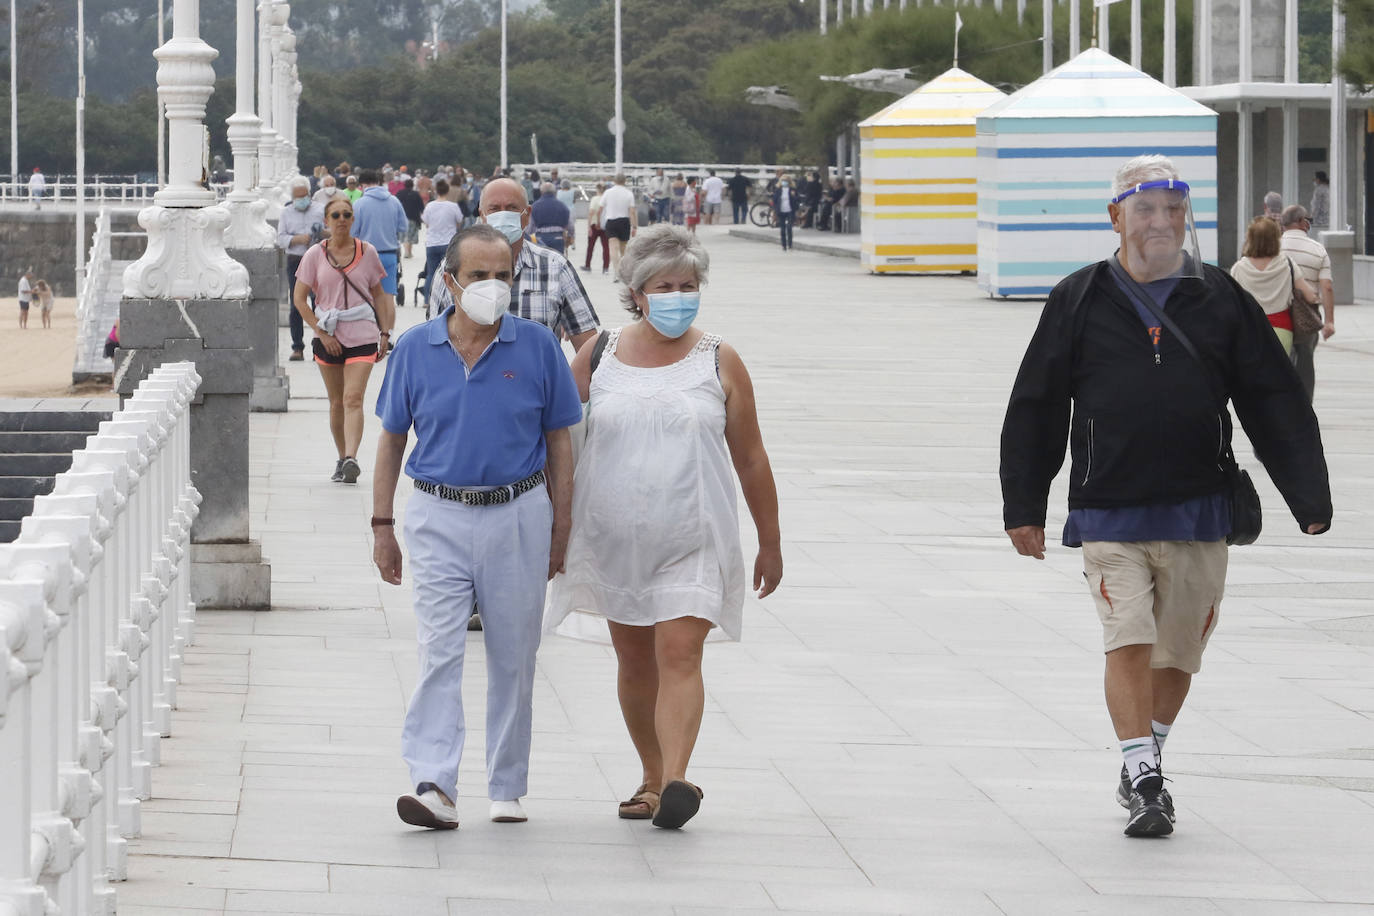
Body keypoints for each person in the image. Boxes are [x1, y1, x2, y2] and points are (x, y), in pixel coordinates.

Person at [1001, 154, 1332, 839]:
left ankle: (1141, 753)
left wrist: (1308, 494)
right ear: (1116, 216)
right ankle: (1146, 775)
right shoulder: (1080, 296)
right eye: (1146, 208)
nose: (1161, 221)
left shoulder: (1218, 297)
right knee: (1129, 638)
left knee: (1177, 653)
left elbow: (1272, 397)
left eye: (1173, 209)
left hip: (1200, 506)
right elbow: (1036, 402)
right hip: (1109, 506)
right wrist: (1024, 504)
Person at [545, 224, 783, 830]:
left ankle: (677, 778)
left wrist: (770, 540)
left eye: (687, 284)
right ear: (636, 292)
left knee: (680, 650)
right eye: (663, 285)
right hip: (612, 536)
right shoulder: (598, 354)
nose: (677, 295)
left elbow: (751, 455)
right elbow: (554, 437)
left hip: (693, 534)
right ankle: (651, 776)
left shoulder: (719, 358)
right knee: (634, 660)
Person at [372, 224, 582, 830]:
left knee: (513, 655)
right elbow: (390, 439)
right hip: (437, 512)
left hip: (518, 513)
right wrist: (383, 523)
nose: (492, 287)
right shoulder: (415, 348)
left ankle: (507, 783)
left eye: (502, 276)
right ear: (449, 281)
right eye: (479, 276)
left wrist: (560, 525)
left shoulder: (539, 346)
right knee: (438, 650)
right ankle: (434, 782)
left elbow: (559, 441)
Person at [291, 195, 396, 484]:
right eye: (335, 216)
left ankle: (352, 457)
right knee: (337, 401)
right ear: (326, 221)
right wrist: (321, 333)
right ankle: (341, 457)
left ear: (353, 220)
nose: (341, 220)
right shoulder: (314, 254)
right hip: (328, 334)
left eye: (346, 215)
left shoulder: (368, 251)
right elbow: (300, 299)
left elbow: (379, 294)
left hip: (362, 332)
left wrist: (385, 332)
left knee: (353, 397)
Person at [430, 177, 601, 351]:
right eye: (494, 209)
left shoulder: (555, 267)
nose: (503, 214)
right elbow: (433, 340)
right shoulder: (454, 268)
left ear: (526, 215)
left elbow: (588, 345)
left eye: (511, 208)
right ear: (482, 215)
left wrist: (565, 378)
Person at [1229, 216, 1317, 356]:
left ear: (1250, 238)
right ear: (1276, 239)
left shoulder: (1239, 268)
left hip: (1249, 332)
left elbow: (1230, 302)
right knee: (1280, 375)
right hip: (1282, 330)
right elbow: (1310, 296)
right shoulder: (1286, 264)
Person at [1279, 205, 1336, 401]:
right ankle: (1304, 406)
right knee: (1305, 361)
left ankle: (1282, 403)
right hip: (1307, 315)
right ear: (1303, 223)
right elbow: (1326, 286)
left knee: (1279, 361)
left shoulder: (1274, 247)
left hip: (1279, 313)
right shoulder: (1317, 249)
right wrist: (1329, 321)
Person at [278, 177, 326, 361]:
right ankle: (297, 346)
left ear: (309, 194)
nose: (301, 200)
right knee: (296, 303)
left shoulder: (320, 210)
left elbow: (331, 231)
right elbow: (280, 237)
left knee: (319, 303)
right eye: (297, 197)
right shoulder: (286, 212)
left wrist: (321, 232)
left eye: (303, 196)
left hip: (318, 259)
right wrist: (297, 239)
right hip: (296, 259)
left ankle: (319, 344)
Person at [352, 168, 408, 307]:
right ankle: (388, 329)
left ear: (362, 185)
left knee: (367, 297)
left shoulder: (359, 204)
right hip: (390, 254)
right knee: (388, 298)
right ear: (378, 182)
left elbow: (352, 233)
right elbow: (404, 227)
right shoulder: (394, 201)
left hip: (366, 255)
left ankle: (372, 328)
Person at [420, 178, 463, 315]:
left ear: (435, 191)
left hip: (432, 243)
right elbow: (459, 221)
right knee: (448, 274)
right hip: (448, 243)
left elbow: (426, 223)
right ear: (447, 190)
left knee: (431, 273)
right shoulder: (453, 206)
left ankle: (427, 299)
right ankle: (448, 299)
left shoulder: (430, 206)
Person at [599, 174, 638, 277]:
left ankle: (616, 271)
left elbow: (600, 209)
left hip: (611, 221)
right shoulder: (629, 193)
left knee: (613, 248)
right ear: (625, 181)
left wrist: (598, 221)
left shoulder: (608, 192)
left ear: (614, 181)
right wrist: (634, 226)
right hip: (624, 221)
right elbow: (632, 211)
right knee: (623, 249)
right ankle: (623, 271)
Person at [531, 180, 573, 255]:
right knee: (558, 263)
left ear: (541, 192)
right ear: (554, 192)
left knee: (542, 263)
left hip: (540, 238)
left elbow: (530, 226)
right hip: (558, 238)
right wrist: (570, 236)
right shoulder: (562, 206)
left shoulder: (535, 206)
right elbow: (570, 226)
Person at [582, 182, 610, 275]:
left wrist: (588, 226)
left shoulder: (595, 199)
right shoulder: (607, 199)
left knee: (590, 246)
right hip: (605, 225)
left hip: (594, 225)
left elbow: (591, 212)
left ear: (597, 189)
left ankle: (587, 265)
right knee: (606, 247)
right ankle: (605, 267)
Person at [396, 178, 425, 260]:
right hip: (413, 217)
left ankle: (407, 252)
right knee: (411, 236)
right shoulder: (416, 194)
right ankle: (408, 252)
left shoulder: (399, 194)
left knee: (405, 236)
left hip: (402, 218)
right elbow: (421, 207)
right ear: (412, 185)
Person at [772, 174, 797, 251]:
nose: (784, 182)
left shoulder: (792, 190)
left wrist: (793, 196)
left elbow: (796, 200)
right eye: (783, 181)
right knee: (782, 229)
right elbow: (775, 200)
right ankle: (784, 245)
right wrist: (775, 210)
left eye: (786, 181)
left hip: (790, 210)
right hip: (781, 210)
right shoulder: (778, 190)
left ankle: (790, 245)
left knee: (789, 228)